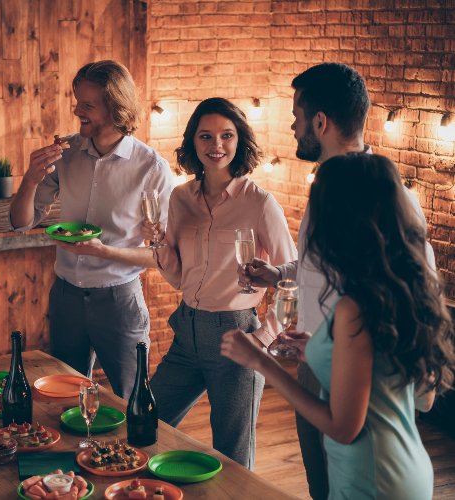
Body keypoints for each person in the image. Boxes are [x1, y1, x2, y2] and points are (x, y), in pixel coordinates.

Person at [241, 62, 435, 499]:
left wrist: (265, 361)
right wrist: (277, 274)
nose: (293, 126)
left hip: (366, 374)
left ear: (321, 122)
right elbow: (312, 264)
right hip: (316, 358)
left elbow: (423, 289)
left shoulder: (386, 198)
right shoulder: (325, 188)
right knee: (324, 489)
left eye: (296, 115)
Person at [222, 153, 455, 499]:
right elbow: (423, 399)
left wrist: (261, 362)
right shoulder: (403, 291)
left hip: (369, 477)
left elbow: (344, 429)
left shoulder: (353, 307)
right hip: (410, 474)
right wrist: (320, 349)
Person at [136, 98, 296, 469]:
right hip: (186, 330)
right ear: (193, 142)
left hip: (237, 331)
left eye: (227, 135)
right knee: (144, 423)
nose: (216, 145)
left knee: (233, 454)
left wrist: (261, 340)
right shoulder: (180, 198)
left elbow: (293, 281)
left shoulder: (260, 203)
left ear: (240, 142)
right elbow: (178, 277)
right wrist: (157, 242)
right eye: (205, 136)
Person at [9, 60, 175, 398]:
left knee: (132, 399)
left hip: (119, 300)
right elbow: (20, 222)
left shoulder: (151, 167)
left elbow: (165, 255)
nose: (76, 110)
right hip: (66, 296)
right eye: (77, 100)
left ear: (115, 108)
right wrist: (30, 177)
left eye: (87, 104)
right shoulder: (66, 153)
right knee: (62, 397)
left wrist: (105, 251)